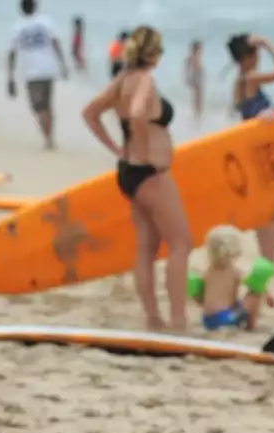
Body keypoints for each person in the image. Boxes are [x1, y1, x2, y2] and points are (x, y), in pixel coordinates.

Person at [82, 25, 190, 332]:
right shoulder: (144, 80)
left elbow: (90, 113)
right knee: (181, 244)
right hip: (149, 174)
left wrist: (119, 148)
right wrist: (145, 153)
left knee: (146, 247)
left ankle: (153, 318)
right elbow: (139, 113)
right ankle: (179, 321)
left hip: (128, 173)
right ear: (153, 53)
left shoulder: (121, 79)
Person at [227, 33, 274, 260]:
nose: (259, 56)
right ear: (247, 57)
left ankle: (267, 257)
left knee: (268, 210)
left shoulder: (239, 81)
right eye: (256, 52)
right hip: (262, 152)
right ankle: (268, 259)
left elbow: (244, 115)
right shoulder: (251, 78)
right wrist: (269, 43)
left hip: (252, 150)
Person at [7, 0, 69, 150]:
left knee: (39, 107)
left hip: (32, 72)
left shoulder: (18, 27)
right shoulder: (46, 22)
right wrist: (63, 64)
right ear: (35, 7)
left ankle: (48, 139)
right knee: (47, 105)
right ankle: (50, 137)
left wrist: (10, 76)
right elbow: (56, 43)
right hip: (48, 69)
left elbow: (12, 53)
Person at [192, 225, 273, 331]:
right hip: (226, 318)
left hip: (208, 320)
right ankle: (250, 326)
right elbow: (254, 284)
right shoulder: (233, 271)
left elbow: (200, 295)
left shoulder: (208, 271)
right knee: (254, 294)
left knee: (237, 302)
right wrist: (267, 295)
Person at [184, 40, 204, 120]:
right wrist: (188, 78)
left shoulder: (196, 56)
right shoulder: (193, 57)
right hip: (196, 76)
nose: (201, 49)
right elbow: (188, 68)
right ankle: (197, 112)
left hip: (198, 75)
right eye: (199, 47)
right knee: (197, 95)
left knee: (198, 95)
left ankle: (198, 112)